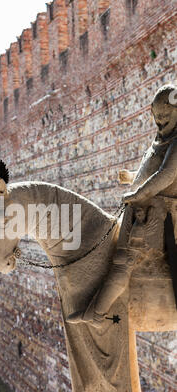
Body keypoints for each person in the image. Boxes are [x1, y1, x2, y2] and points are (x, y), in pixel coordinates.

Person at [68, 83, 177, 326]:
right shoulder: (162, 140)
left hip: (159, 213)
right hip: (143, 205)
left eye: (165, 116)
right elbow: (149, 171)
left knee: (123, 262)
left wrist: (138, 191)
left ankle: (97, 313)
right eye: (157, 117)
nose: (160, 122)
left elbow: (166, 176)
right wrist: (131, 177)